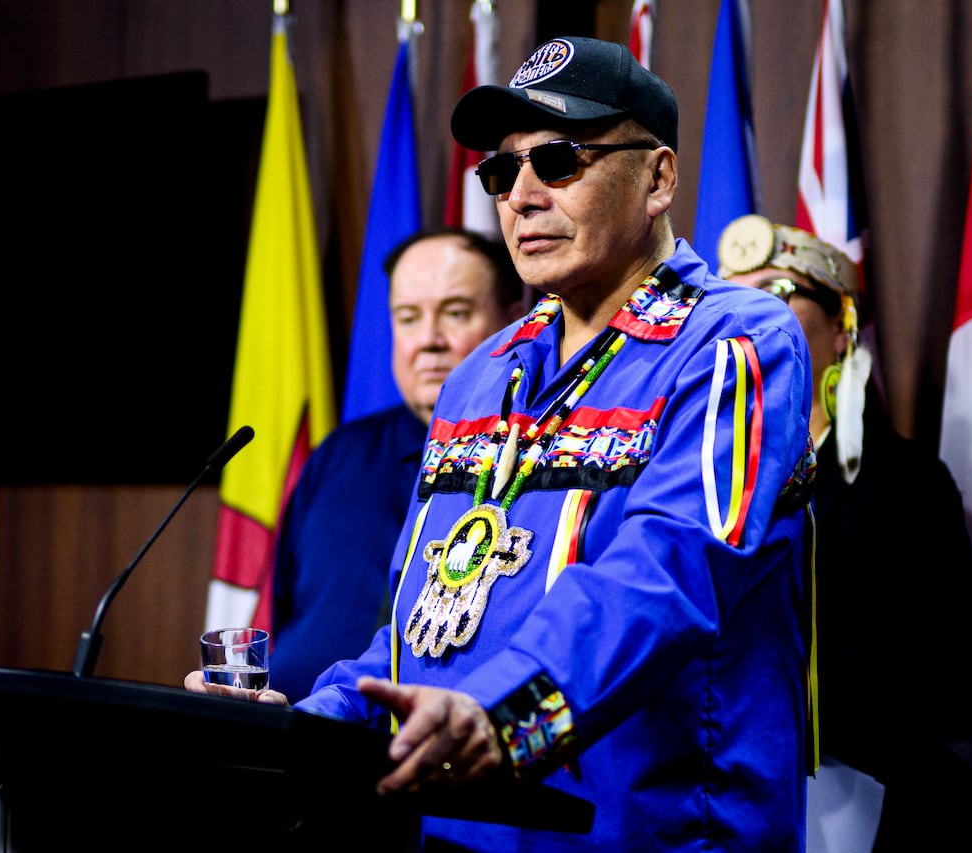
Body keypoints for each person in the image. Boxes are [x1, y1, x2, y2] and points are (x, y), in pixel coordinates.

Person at [189, 36, 817, 851]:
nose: (520, 195)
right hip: (456, 835)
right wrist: (308, 724)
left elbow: (669, 575)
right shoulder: (479, 376)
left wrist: (501, 714)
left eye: (558, 160)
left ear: (658, 178)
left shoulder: (735, 342)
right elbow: (420, 636)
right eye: (500, 170)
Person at [718, 214, 972, 851]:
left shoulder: (905, 484)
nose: (748, 317)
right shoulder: (694, 481)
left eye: (780, 292)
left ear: (842, 330)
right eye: (730, 300)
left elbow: (895, 677)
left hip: (871, 804)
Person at [269, 227, 525, 701]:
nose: (428, 341)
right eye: (408, 318)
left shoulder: (544, 465)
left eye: (455, 313)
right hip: (290, 726)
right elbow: (284, 609)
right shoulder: (339, 455)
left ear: (515, 323)